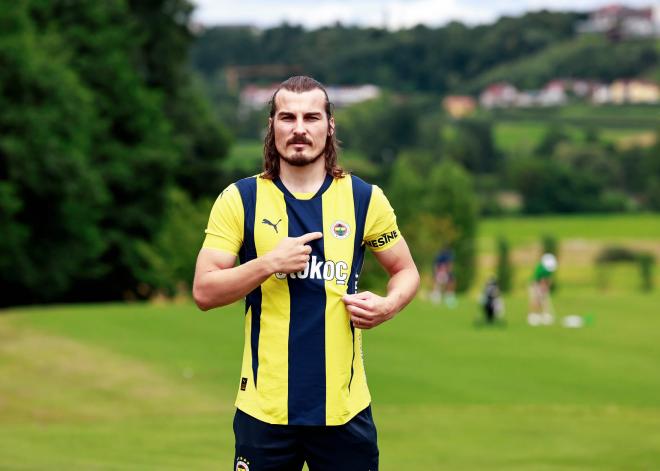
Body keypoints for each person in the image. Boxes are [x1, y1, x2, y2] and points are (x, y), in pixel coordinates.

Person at [192, 76, 420, 470]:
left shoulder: (364, 199)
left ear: (329, 125)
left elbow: (405, 271)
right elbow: (204, 290)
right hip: (265, 412)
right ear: (272, 126)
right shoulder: (240, 200)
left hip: (344, 412)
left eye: (311, 117)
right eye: (288, 117)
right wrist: (267, 264)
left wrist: (390, 305)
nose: (299, 128)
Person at [527, 253, 557, 326]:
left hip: (542, 285)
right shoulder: (540, 268)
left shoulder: (549, 269)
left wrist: (546, 287)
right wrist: (541, 288)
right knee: (535, 299)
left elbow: (548, 279)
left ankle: (544, 315)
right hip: (535, 285)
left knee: (544, 300)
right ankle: (533, 316)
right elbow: (537, 279)